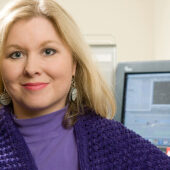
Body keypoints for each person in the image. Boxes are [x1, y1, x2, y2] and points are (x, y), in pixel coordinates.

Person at [0, 0, 169, 169]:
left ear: (74, 63)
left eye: (48, 51)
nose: (31, 69)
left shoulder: (115, 142)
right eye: (16, 54)